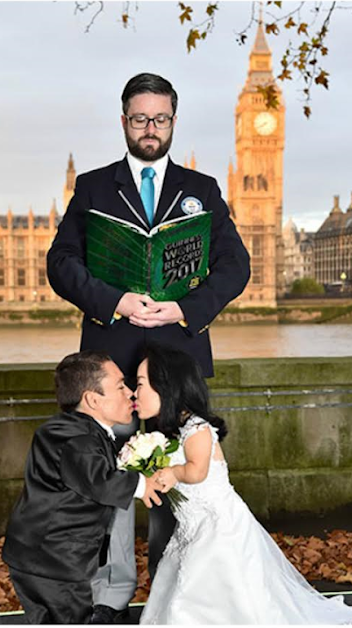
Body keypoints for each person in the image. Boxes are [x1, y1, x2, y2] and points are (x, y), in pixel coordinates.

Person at [45, 72, 250, 623]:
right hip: (110, 364)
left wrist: (184, 307)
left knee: (177, 488)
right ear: (124, 122)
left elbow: (236, 265)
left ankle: (173, 599)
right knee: (109, 482)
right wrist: (118, 300)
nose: (150, 128)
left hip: (176, 363)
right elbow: (60, 264)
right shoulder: (92, 187)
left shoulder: (201, 189)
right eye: (140, 118)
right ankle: (111, 598)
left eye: (160, 118)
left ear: (173, 122)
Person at [131, 343, 352, 624]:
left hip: (218, 527)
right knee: (195, 580)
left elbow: (197, 471)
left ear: (167, 386)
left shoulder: (197, 430)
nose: (134, 392)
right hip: (192, 526)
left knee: (211, 582)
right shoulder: (174, 432)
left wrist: (175, 473)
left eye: (140, 383)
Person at [2, 352, 163, 624]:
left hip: (35, 555)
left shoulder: (66, 429)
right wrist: (140, 484)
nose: (131, 394)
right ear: (92, 399)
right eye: (121, 386)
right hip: (55, 563)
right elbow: (98, 481)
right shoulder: (77, 440)